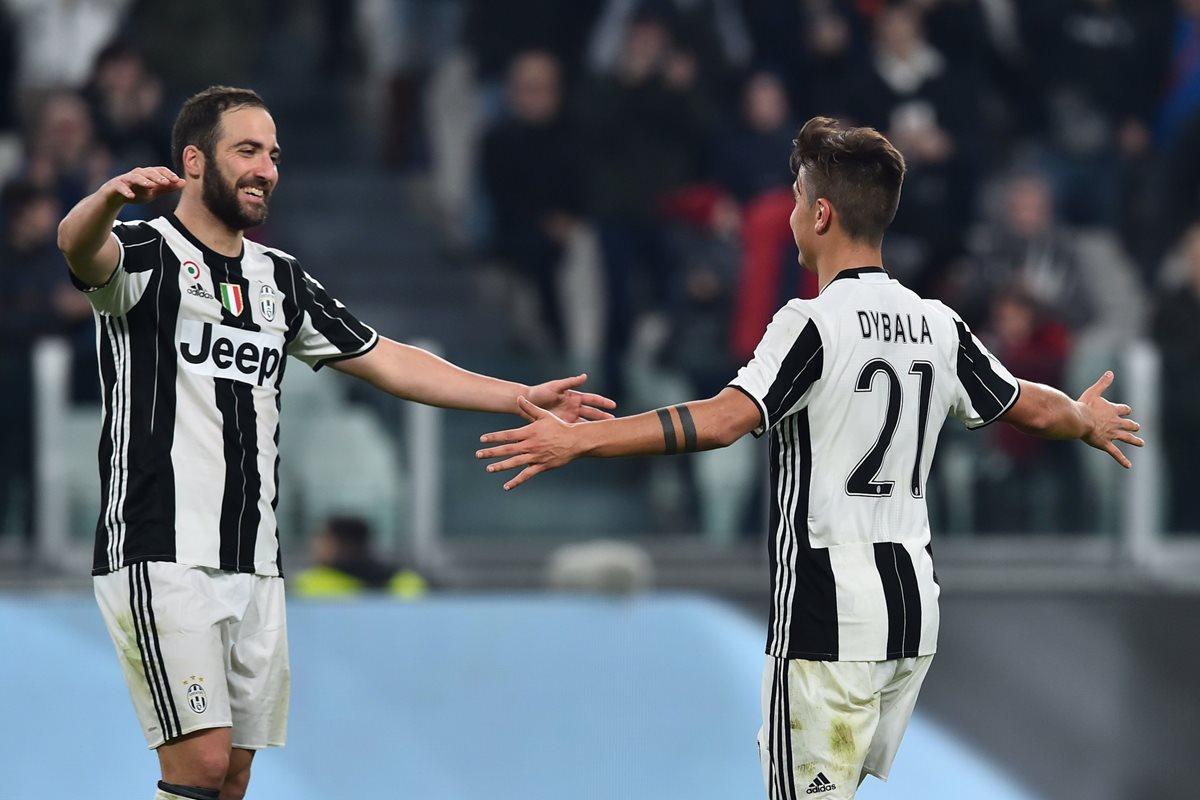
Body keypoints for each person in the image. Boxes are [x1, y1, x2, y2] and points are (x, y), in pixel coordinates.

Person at [475, 116, 1143, 798]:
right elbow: (1025, 404)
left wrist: (582, 437)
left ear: (821, 214)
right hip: (911, 612)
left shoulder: (812, 323)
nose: (791, 214)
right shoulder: (939, 324)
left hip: (829, 613)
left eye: (797, 199)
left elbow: (724, 420)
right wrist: (1085, 419)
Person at [56, 85, 614, 800]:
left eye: (274, 155)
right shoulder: (143, 253)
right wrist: (108, 198)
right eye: (247, 151)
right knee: (196, 764)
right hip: (160, 550)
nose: (266, 169)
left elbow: (388, 359)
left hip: (254, 561)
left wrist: (515, 394)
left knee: (233, 776)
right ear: (193, 162)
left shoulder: (279, 280)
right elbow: (78, 247)